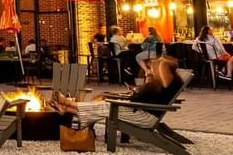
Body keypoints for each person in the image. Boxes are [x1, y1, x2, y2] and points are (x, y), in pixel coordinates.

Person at [55, 56, 183, 140]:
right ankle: (67, 108)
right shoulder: (162, 86)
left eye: (156, 69)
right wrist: (140, 88)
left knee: (106, 105)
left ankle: (68, 105)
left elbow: (137, 99)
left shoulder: (162, 85)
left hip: (143, 117)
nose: (152, 71)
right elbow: (142, 96)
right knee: (104, 105)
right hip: (141, 112)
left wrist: (146, 81)